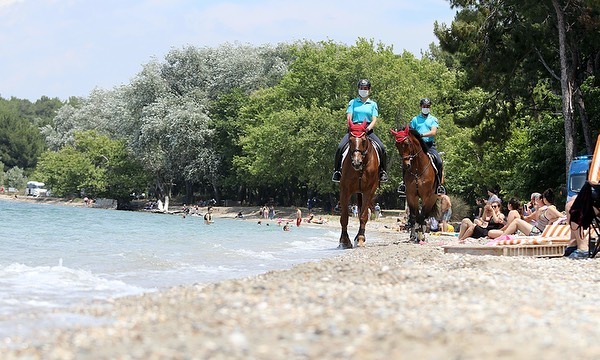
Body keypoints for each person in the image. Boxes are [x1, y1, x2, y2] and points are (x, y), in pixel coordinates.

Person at [332, 79, 388, 182]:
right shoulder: (352, 102)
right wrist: (352, 126)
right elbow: (349, 116)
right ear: (358, 89)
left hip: (367, 130)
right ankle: (337, 171)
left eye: (365, 88)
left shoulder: (373, 104)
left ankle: (382, 172)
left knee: (382, 148)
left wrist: (367, 129)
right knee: (340, 148)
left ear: (369, 90)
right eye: (361, 88)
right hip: (354, 129)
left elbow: (374, 119)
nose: (363, 90)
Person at [398, 98, 444, 194]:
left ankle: (439, 186)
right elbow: (410, 131)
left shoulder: (433, 119)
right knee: (405, 161)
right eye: (424, 106)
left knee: (439, 161)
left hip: (429, 145)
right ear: (420, 107)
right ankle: (403, 183)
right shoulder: (415, 119)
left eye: (427, 107)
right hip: (416, 146)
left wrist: (421, 135)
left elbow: (433, 132)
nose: (425, 108)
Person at [496, 188, 562, 237]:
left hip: (539, 232)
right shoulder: (546, 208)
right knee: (517, 222)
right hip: (538, 230)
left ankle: (502, 238)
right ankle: (503, 237)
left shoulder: (550, 208)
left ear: (544, 199)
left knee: (517, 221)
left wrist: (552, 220)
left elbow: (562, 217)